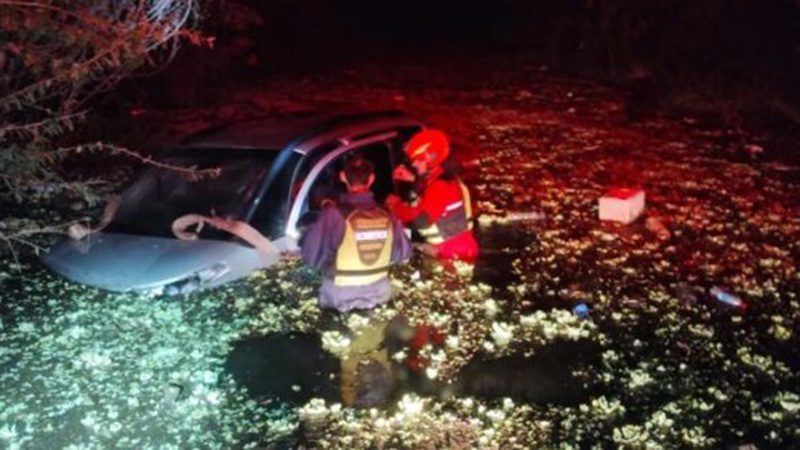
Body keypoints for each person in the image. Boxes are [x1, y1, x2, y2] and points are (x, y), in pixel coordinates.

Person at [301, 156, 412, 312]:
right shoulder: (387, 215)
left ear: (343, 177)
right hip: (379, 294)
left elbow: (311, 258)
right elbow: (403, 254)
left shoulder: (334, 215)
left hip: (340, 297)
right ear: (372, 179)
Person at [384, 129, 479, 263]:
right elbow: (430, 198)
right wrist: (413, 180)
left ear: (430, 157)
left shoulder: (441, 186)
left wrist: (395, 207)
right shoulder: (444, 179)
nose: (413, 164)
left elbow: (420, 220)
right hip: (453, 248)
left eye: (417, 160)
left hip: (452, 253)